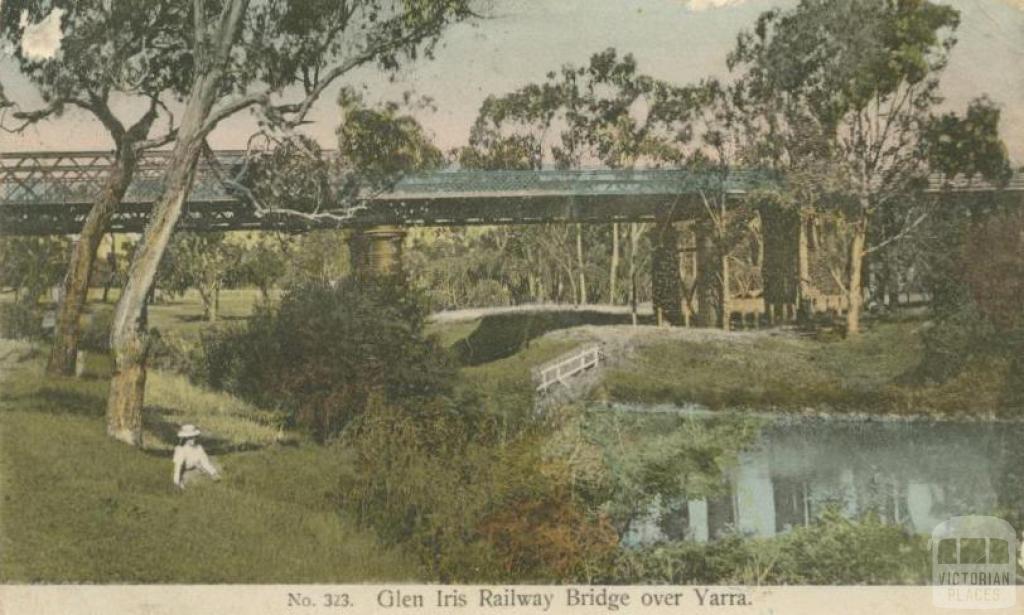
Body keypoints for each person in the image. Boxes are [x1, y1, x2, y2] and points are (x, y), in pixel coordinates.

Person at [172, 424, 221, 489]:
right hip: (184, 473)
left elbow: (205, 462)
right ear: (185, 439)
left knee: (216, 469)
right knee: (187, 485)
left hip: (197, 471)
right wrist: (176, 482)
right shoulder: (181, 450)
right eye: (190, 438)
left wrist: (213, 473)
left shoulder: (199, 448)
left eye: (194, 437)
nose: (193, 440)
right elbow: (178, 468)